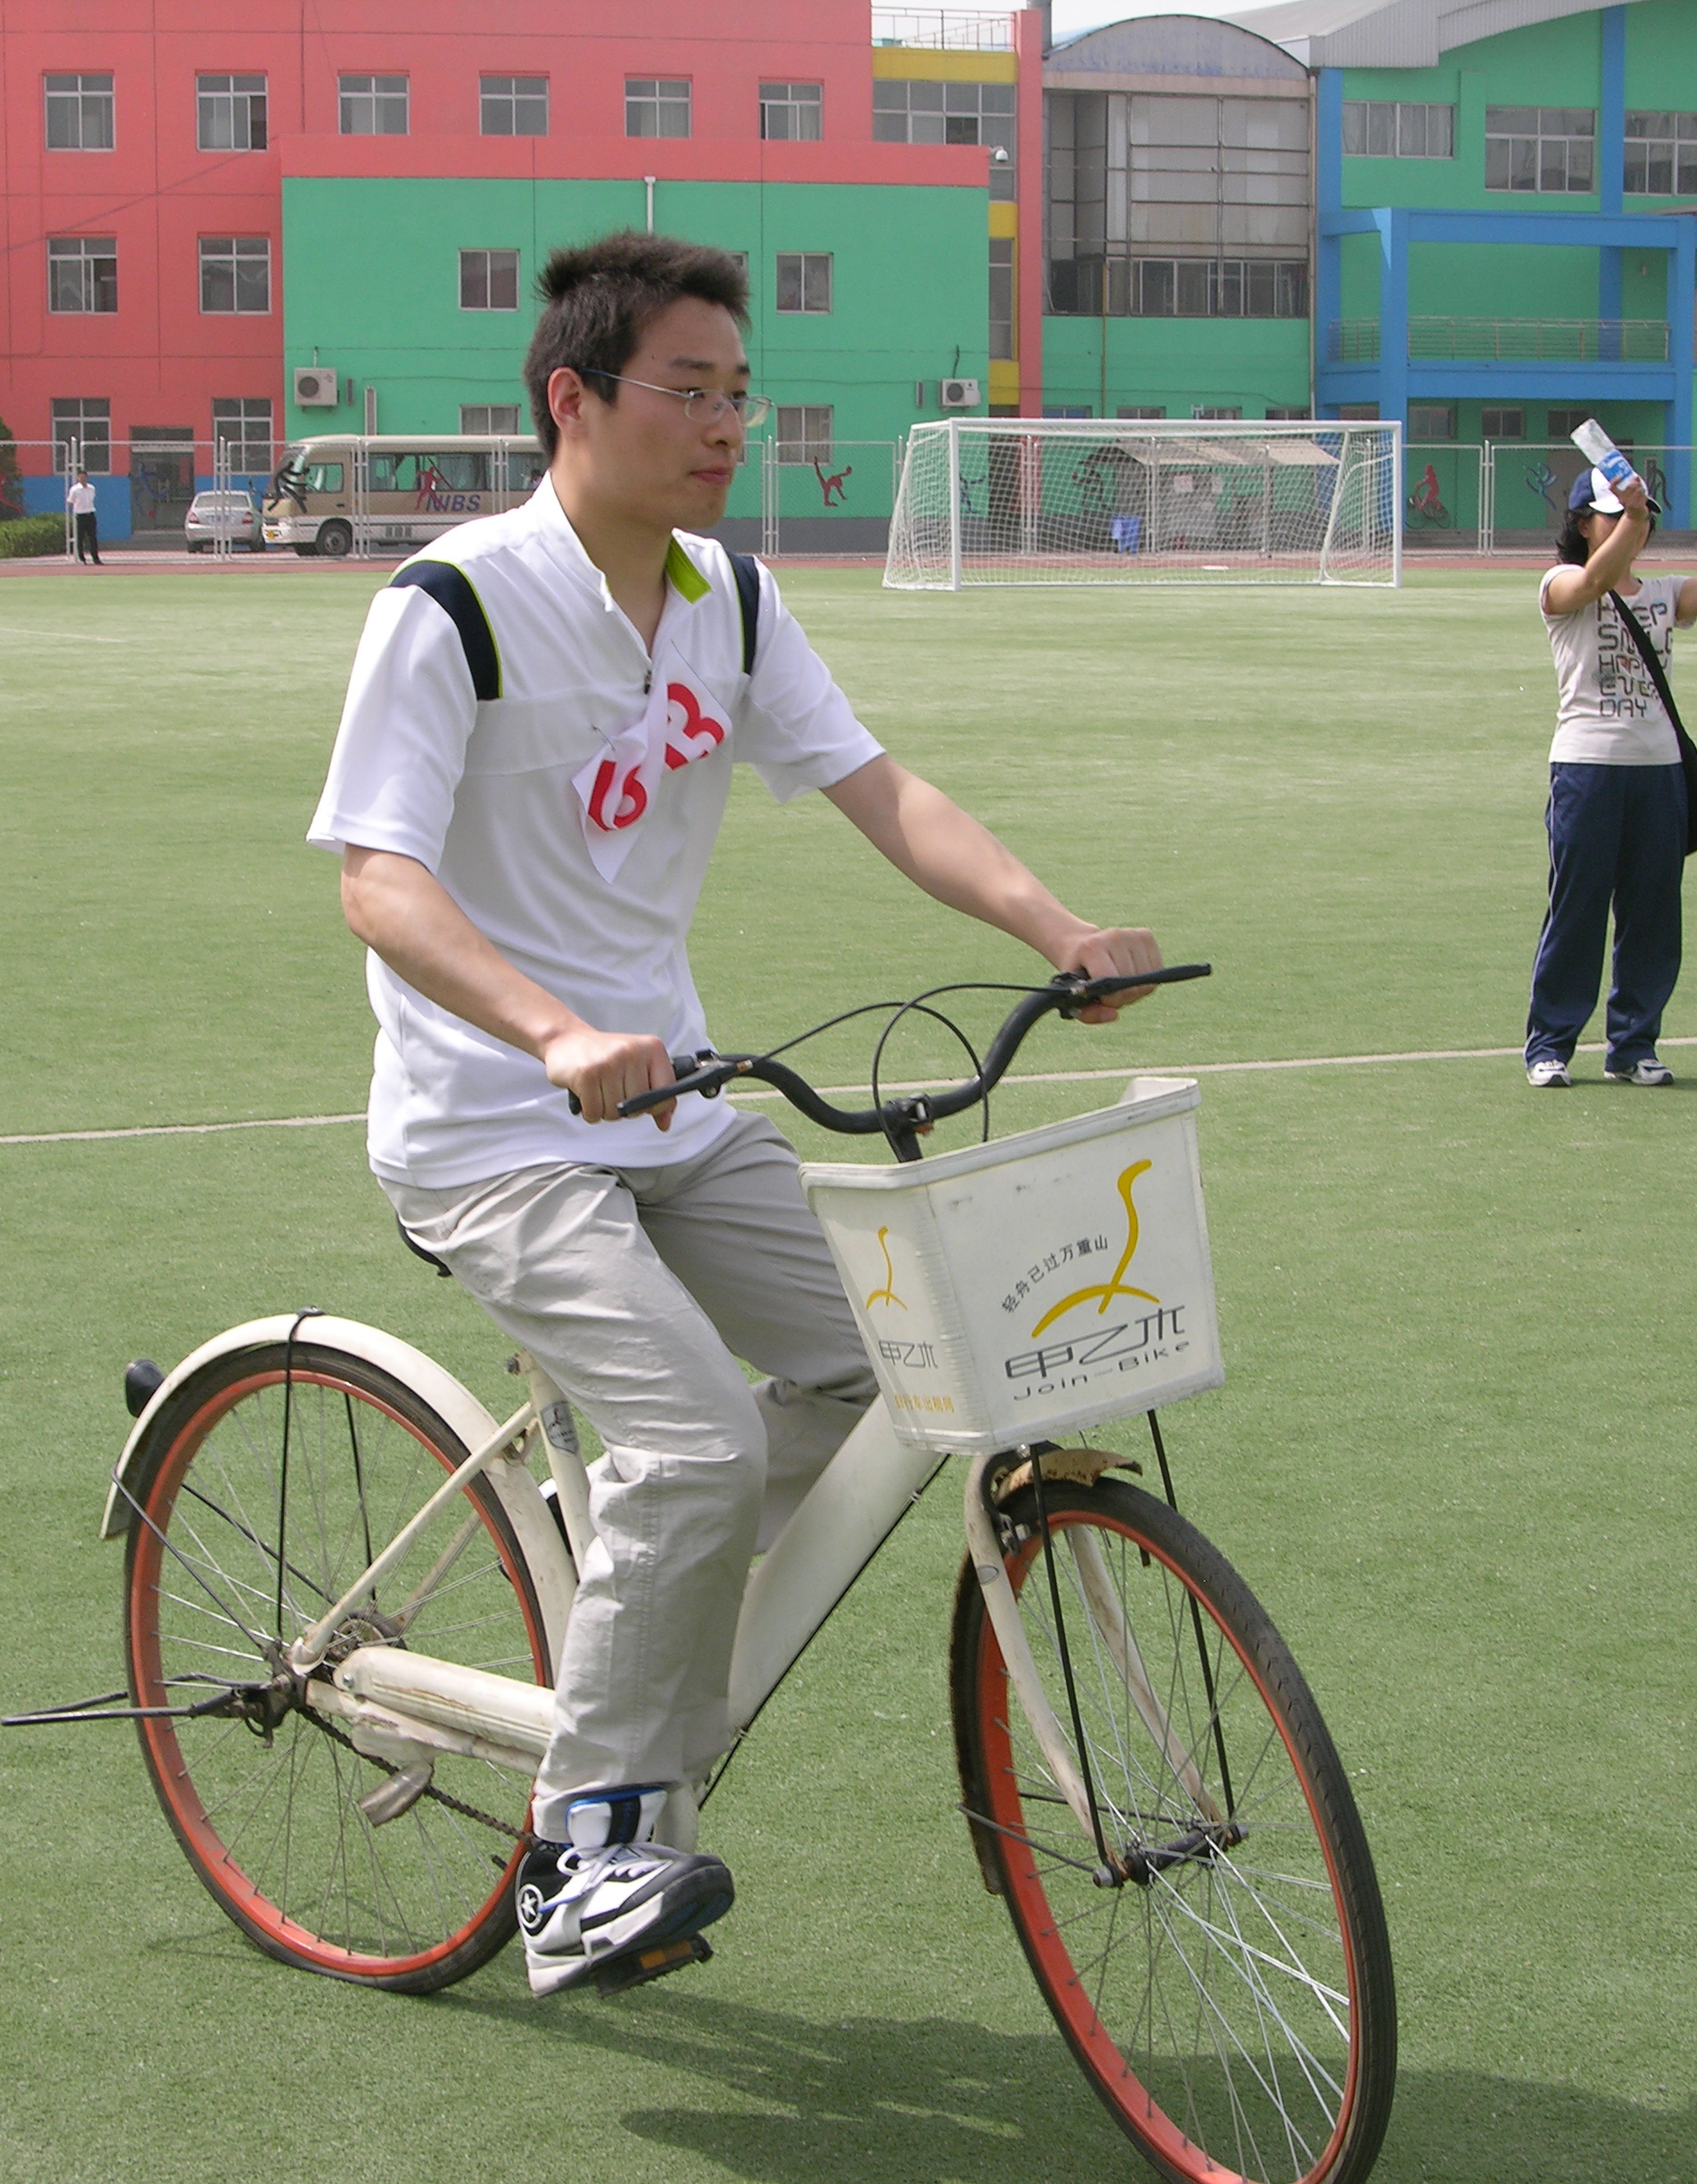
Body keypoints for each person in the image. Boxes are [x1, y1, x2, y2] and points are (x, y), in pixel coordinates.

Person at [306, 232, 1162, 1997]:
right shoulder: (452, 604)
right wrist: (553, 1031)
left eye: (737, 395)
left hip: (678, 1110)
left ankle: (643, 1577)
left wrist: (1058, 928)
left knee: (897, 1360)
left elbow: (878, 787)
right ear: (574, 398)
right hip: (494, 1128)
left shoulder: (732, 600)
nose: (724, 425)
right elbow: (376, 879)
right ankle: (582, 1852)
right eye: (686, 390)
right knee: (695, 1442)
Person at [1524, 463, 1697, 1088]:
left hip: (1658, 770)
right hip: (1587, 767)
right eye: (1614, 517)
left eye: (1638, 518)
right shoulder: (1560, 582)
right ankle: (1550, 1045)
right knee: (1578, 908)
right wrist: (1634, 514)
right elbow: (1593, 581)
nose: (1632, 527)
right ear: (1583, 524)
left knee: (1653, 914)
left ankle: (1633, 1045)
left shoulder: (1663, 593)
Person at [65, 472, 101, 565]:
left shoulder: (91, 488)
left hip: (90, 514)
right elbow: (70, 501)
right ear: (78, 478)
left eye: (84, 477)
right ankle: (82, 559)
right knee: (80, 538)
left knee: (93, 537)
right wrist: (78, 508)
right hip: (80, 515)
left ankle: (95, 558)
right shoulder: (74, 489)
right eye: (81, 477)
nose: (83, 479)